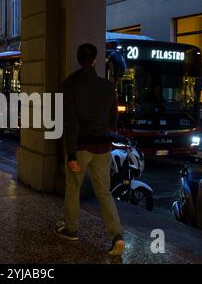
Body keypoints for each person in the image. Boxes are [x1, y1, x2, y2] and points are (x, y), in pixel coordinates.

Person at [57, 43, 125, 256]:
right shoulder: (106, 86)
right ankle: (117, 236)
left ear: (79, 60)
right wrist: (105, 131)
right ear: (95, 60)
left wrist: (71, 154)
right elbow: (114, 117)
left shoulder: (70, 85)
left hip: (81, 147)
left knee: (73, 188)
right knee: (104, 193)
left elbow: (70, 123)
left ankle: (71, 229)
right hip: (102, 147)